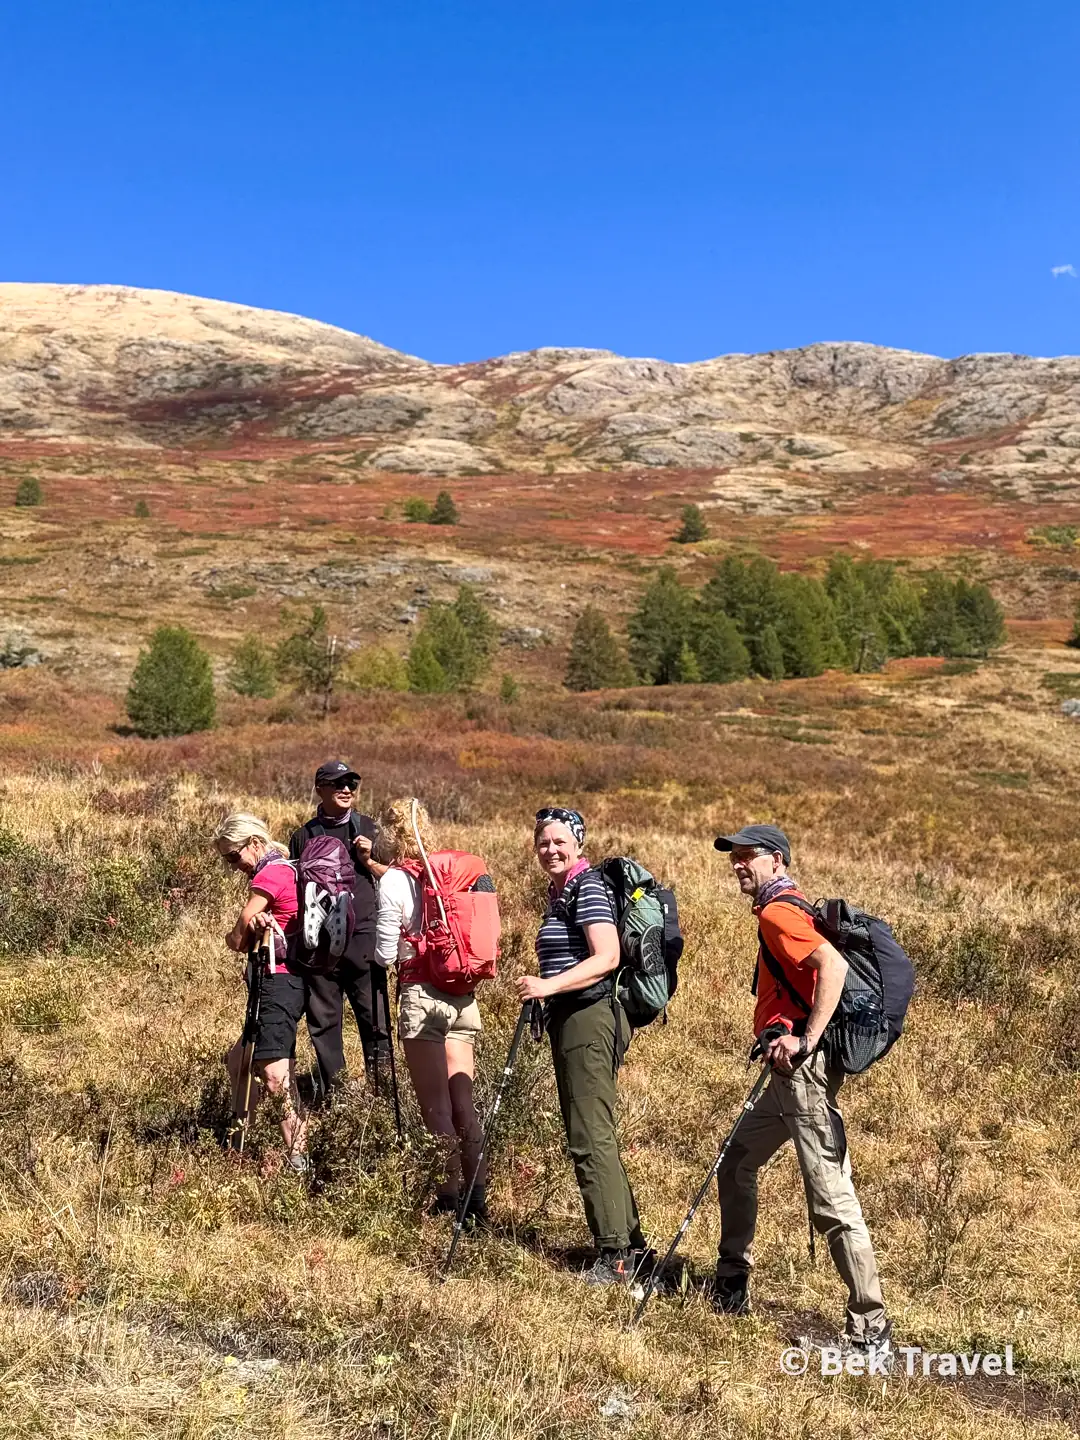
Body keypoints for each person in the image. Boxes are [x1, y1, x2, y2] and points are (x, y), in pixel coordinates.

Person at [712, 822, 890, 1352]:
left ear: (777, 860)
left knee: (830, 1196)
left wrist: (805, 1040)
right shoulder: (787, 906)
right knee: (737, 1160)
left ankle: (870, 1326)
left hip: (801, 1074)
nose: (738, 864)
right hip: (787, 1074)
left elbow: (830, 966)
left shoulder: (777, 911)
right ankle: (731, 1279)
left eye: (748, 856)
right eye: (734, 857)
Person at [515, 805, 649, 1285]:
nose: (550, 849)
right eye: (543, 843)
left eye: (559, 842)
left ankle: (615, 1256)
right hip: (572, 1018)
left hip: (588, 1017)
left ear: (578, 844)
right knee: (594, 1130)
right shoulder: (562, 893)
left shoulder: (587, 886)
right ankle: (632, 1246)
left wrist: (547, 988)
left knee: (588, 1134)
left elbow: (607, 956)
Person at [374, 798, 487, 1219]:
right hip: (462, 994)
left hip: (421, 996)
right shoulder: (450, 877)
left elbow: (385, 953)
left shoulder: (394, 882)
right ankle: (478, 1201)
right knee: (463, 1104)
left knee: (434, 1107)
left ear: (388, 833)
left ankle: (447, 1199)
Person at [288, 759, 392, 1095]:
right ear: (320, 789)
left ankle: (382, 1094)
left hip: (364, 938)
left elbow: (395, 880)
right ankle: (338, 1096)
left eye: (351, 784)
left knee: (376, 1022)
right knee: (324, 1023)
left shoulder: (369, 829)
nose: (346, 790)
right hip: (319, 948)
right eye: (338, 784)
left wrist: (370, 859)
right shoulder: (302, 836)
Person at [213, 812, 307, 1169]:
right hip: (287, 979)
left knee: (272, 1072)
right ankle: (235, 1145)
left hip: (276, 981)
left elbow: (238, 937)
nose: (232, 865)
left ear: (254, 843)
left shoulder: (270, 875)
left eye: (233, 856)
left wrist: (237, 935)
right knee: (239, 1061)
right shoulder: (288, 868)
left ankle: (299, 1159)